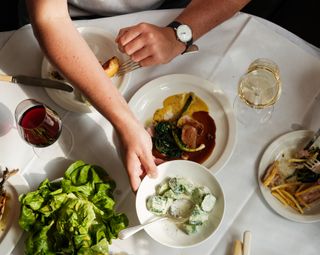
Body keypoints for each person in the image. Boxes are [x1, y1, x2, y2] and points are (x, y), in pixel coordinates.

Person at [25, 0, 252, 191]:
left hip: (172, 13)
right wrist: (126, 123)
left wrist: (179, 35)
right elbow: (50, 18)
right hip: (74, 25)